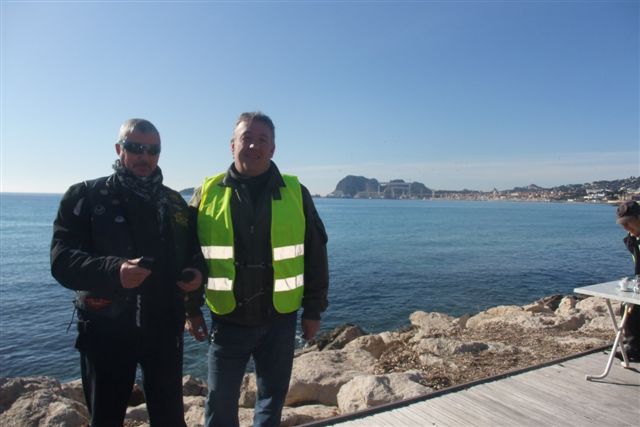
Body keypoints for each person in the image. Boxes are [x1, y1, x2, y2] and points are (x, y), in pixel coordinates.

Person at [51, 118, 206, 427]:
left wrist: (196, 277)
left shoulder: (174, 203)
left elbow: (194, 253)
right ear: (118, 148)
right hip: (105, 330)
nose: (144, 157)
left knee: (171, 420)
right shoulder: (85, 196)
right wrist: (114, 271)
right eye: (135, 148)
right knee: (106, 419)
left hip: (164, 330)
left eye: (153, 150)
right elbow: (61, 261)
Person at [186, 111, 329, 427]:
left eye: (262, 140)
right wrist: (191, 309)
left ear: (273, 149)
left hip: (280, 320)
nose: (254, 146)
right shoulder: (207, 192)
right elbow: (187, 256)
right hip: (227, 320)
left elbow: (316, 255)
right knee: (219, 404)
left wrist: (313, 310)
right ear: (232, 145)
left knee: (271, 401)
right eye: (246, 138)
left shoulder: (296, 193)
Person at [615, 200, 640, 362]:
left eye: (628, 223)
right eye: (622, 224)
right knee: (628, 305)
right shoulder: (632, 240)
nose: (626, 227)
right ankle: (634, 346)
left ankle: (634, 347)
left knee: (634, 308)